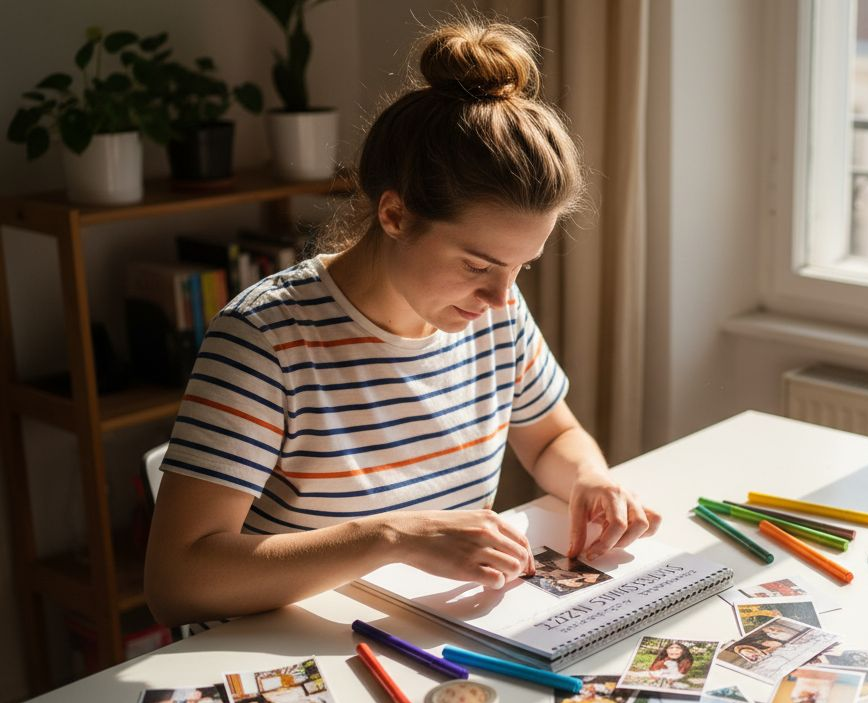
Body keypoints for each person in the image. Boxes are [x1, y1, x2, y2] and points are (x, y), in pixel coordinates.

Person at [144, 17, 660, 626]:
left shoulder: (496, 314)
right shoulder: (265, 340)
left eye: (521, 267)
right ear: (394, 214)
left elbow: (551, 437)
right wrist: (392, 538)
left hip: (426, 637)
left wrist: (591, 479)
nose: (500, 296)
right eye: (477, 265)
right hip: (291, 659)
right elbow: (177, 582)